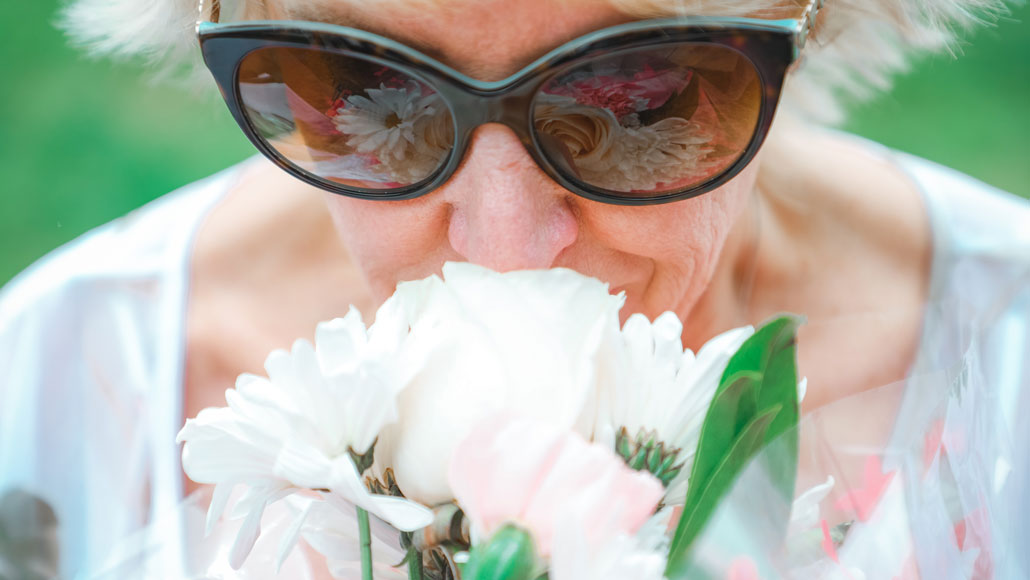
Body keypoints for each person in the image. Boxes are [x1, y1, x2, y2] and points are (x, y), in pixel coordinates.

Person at [1, 0, 1027, 577]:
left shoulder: (1008, 376)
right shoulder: (49, 393)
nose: (504, 250)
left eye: (637, 96)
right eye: (364, 92)